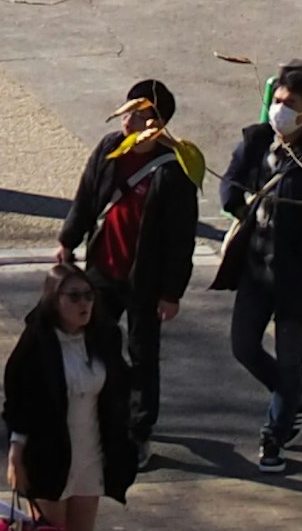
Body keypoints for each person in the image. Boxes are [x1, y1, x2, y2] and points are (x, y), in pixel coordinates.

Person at [0, 252, 140, 531]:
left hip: (91, 453)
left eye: (89, 296)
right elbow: (17, 402)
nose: (84, 304)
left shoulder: (104, 337)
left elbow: (119, 387)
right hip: (48, 454)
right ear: (53, 301)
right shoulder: (37, 344)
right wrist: (16, 452)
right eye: (74, 296)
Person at [218, 58, 302, 469]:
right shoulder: (259, 141)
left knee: (290, 356)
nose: (279, 108)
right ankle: (295, 396)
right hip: (257, 270)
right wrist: (235, 202)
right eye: (277, 100)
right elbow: (232, 177)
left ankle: (274, 434)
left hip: (298, 279)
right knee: (243, 346)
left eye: (288, 102)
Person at [61, 73, 202, 413]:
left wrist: (171, 293)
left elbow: (181, 239)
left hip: (145, 280)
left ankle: (141, 425)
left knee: (143, 354)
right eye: (128, 111)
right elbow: (87, 196)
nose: (129, 120)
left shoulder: (174, 171)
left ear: (159, 123)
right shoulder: (110, 148)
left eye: (139, 115)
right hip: (102, 270)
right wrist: (69, 239)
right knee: (94, 340)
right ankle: (107, 406)